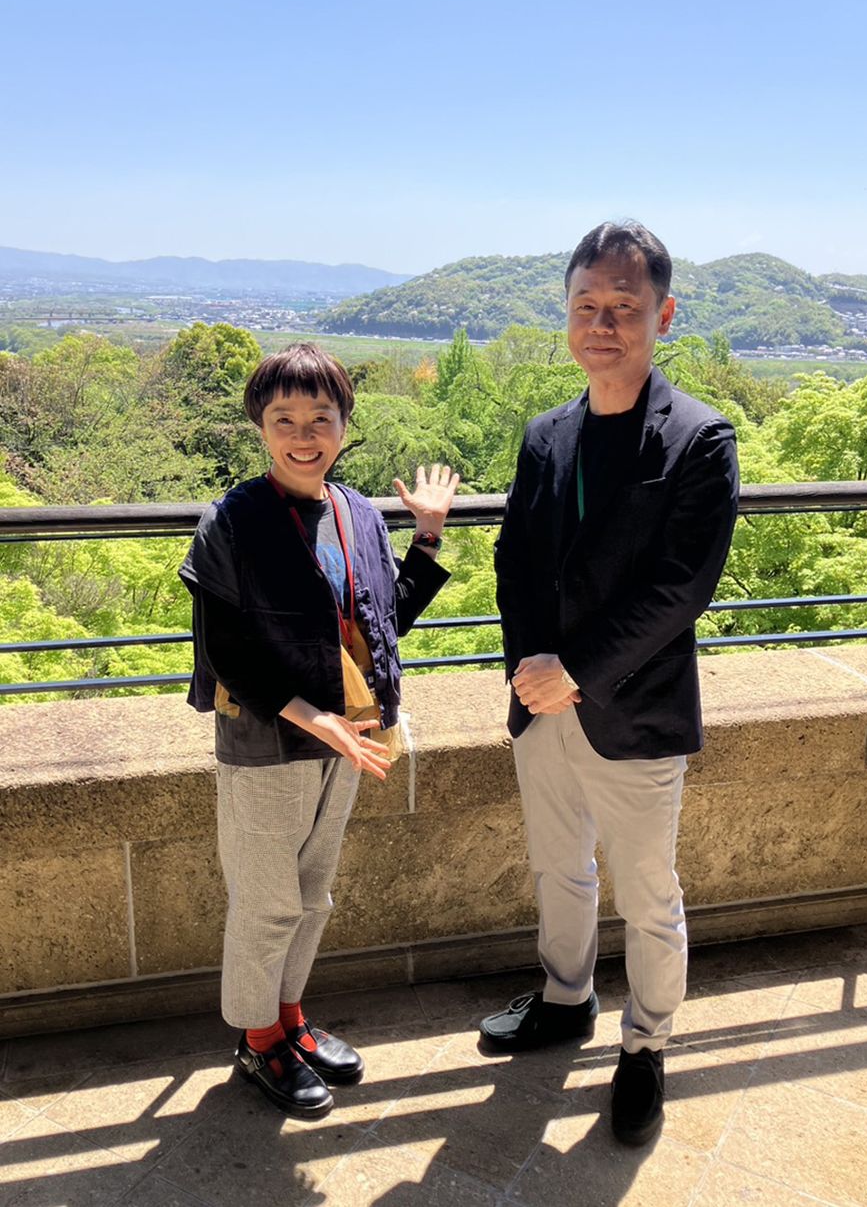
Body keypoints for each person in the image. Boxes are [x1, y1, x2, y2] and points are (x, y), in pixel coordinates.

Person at [484, 221, 740, 1146]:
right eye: (586, 305)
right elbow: (517, 560)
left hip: (632, 709)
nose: (603, 324)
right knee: (557, 866)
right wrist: (531, 669)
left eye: (624, 307)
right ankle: (566, 998)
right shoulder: (545, 435)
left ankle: (647, 1047)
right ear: (566, 314)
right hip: (541, 703)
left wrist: (575, 672)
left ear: (662, 316)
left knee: (646, 891)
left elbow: (682, 588)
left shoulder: (700, 439)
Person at [180, 342, 460, 1119]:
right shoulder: (232, 521)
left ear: (343, 424)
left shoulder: (356, 513)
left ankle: (290, 1019)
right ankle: (257, 1039)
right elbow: (227, 649)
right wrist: (316, 720)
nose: (304, 435)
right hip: (271, 738)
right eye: (285, 419)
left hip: (349, 731)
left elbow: (383, 620)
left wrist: (428, 536)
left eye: (320, 418)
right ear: (260, 427)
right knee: (266, 900)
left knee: (312, 894)